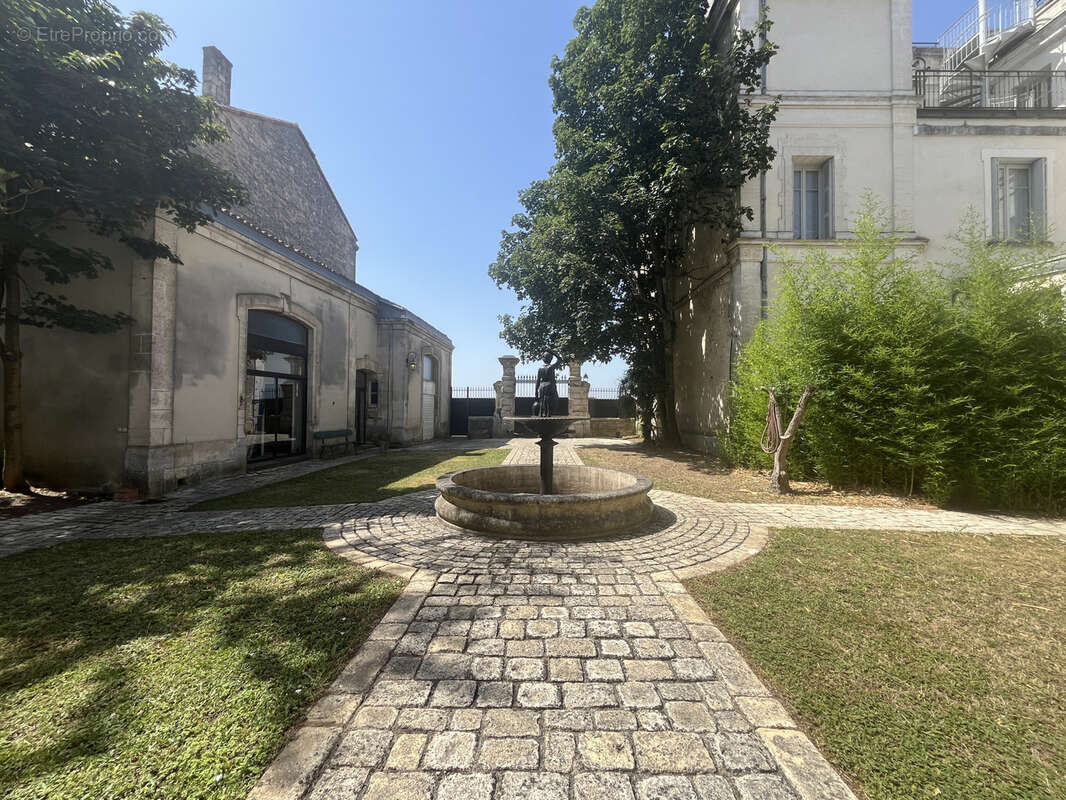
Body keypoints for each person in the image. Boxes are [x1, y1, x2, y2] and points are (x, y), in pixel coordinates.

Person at [534, 352, 565, 417]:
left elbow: (538, 381)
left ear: (543, 359)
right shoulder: (551, 367)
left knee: (542, 402)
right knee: (550, 402)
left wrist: (536, 392)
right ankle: (548, 415)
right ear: (550, 359)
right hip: (550, 385)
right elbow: (560, 359)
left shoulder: (540, 368)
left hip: (542, 386)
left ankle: (542, 415)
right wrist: (553, 352)